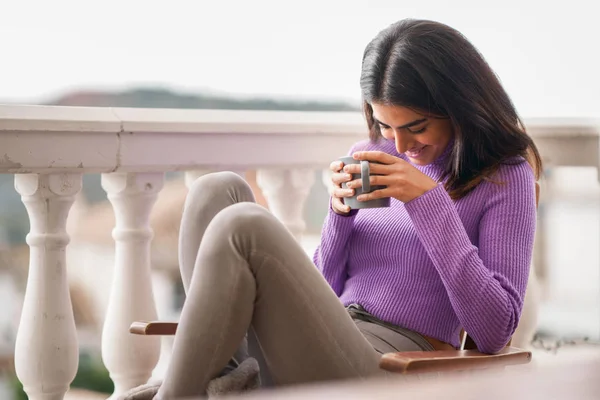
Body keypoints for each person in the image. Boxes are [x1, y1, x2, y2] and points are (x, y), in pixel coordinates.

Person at [138, 19, 542, 399]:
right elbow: (326, 290)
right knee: (215, 190)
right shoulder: (369, 157)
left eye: (416, 127)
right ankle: (226, 382)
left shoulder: (504, 178)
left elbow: (493, 331)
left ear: (461, 106)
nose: (400, 146)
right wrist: (339, 216)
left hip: (391, 369)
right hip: (321, 341)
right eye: (386, 125)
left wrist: (428, 201)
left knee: (244, 225)